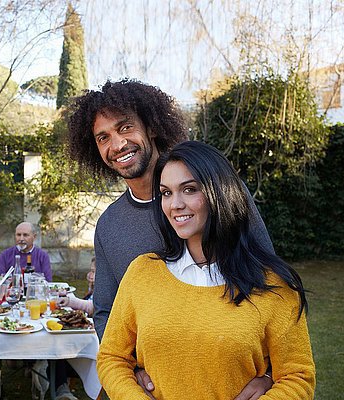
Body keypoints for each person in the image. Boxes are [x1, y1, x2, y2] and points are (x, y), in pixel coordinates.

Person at [67, 79, 274, 398]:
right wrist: (131, 370)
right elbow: (107, 310)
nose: (118, 144)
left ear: (150, 127)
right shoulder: (109, 225)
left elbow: (267, 280)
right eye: (103, 137)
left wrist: (270, 373)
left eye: (125, 128)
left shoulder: (219, 195)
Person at [96, 141, 316, 398]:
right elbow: (112, 357)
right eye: (166, 193)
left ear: (219, 192)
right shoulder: (142, 273)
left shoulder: (274, 284)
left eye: (189, 190)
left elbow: (298, 376)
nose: (174, 204)